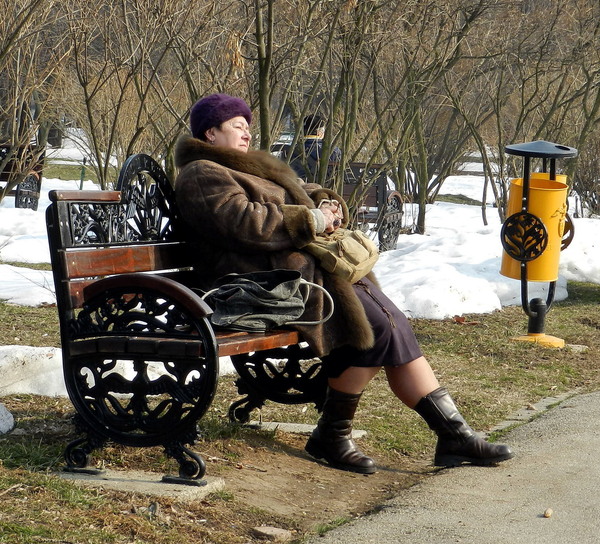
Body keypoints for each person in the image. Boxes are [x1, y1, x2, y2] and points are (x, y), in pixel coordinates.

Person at [174, 93, 513, 475]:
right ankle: (344, 435)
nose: (247, 133)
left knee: (391, 323)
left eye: (248, 126)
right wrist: (311, 220)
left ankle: (450, 435)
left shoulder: (249, 166)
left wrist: (324, 202)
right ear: (210, 132)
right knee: (375, 327)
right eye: (237, 126)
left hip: (301, 276)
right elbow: (245, 223)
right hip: (260, 287)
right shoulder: (203, 173)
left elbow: (296, 192)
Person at [288, 114, 341, 184]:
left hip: (293, 186)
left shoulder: (289, 150)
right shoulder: (333, 151)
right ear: (319, 132)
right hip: (322, 188)